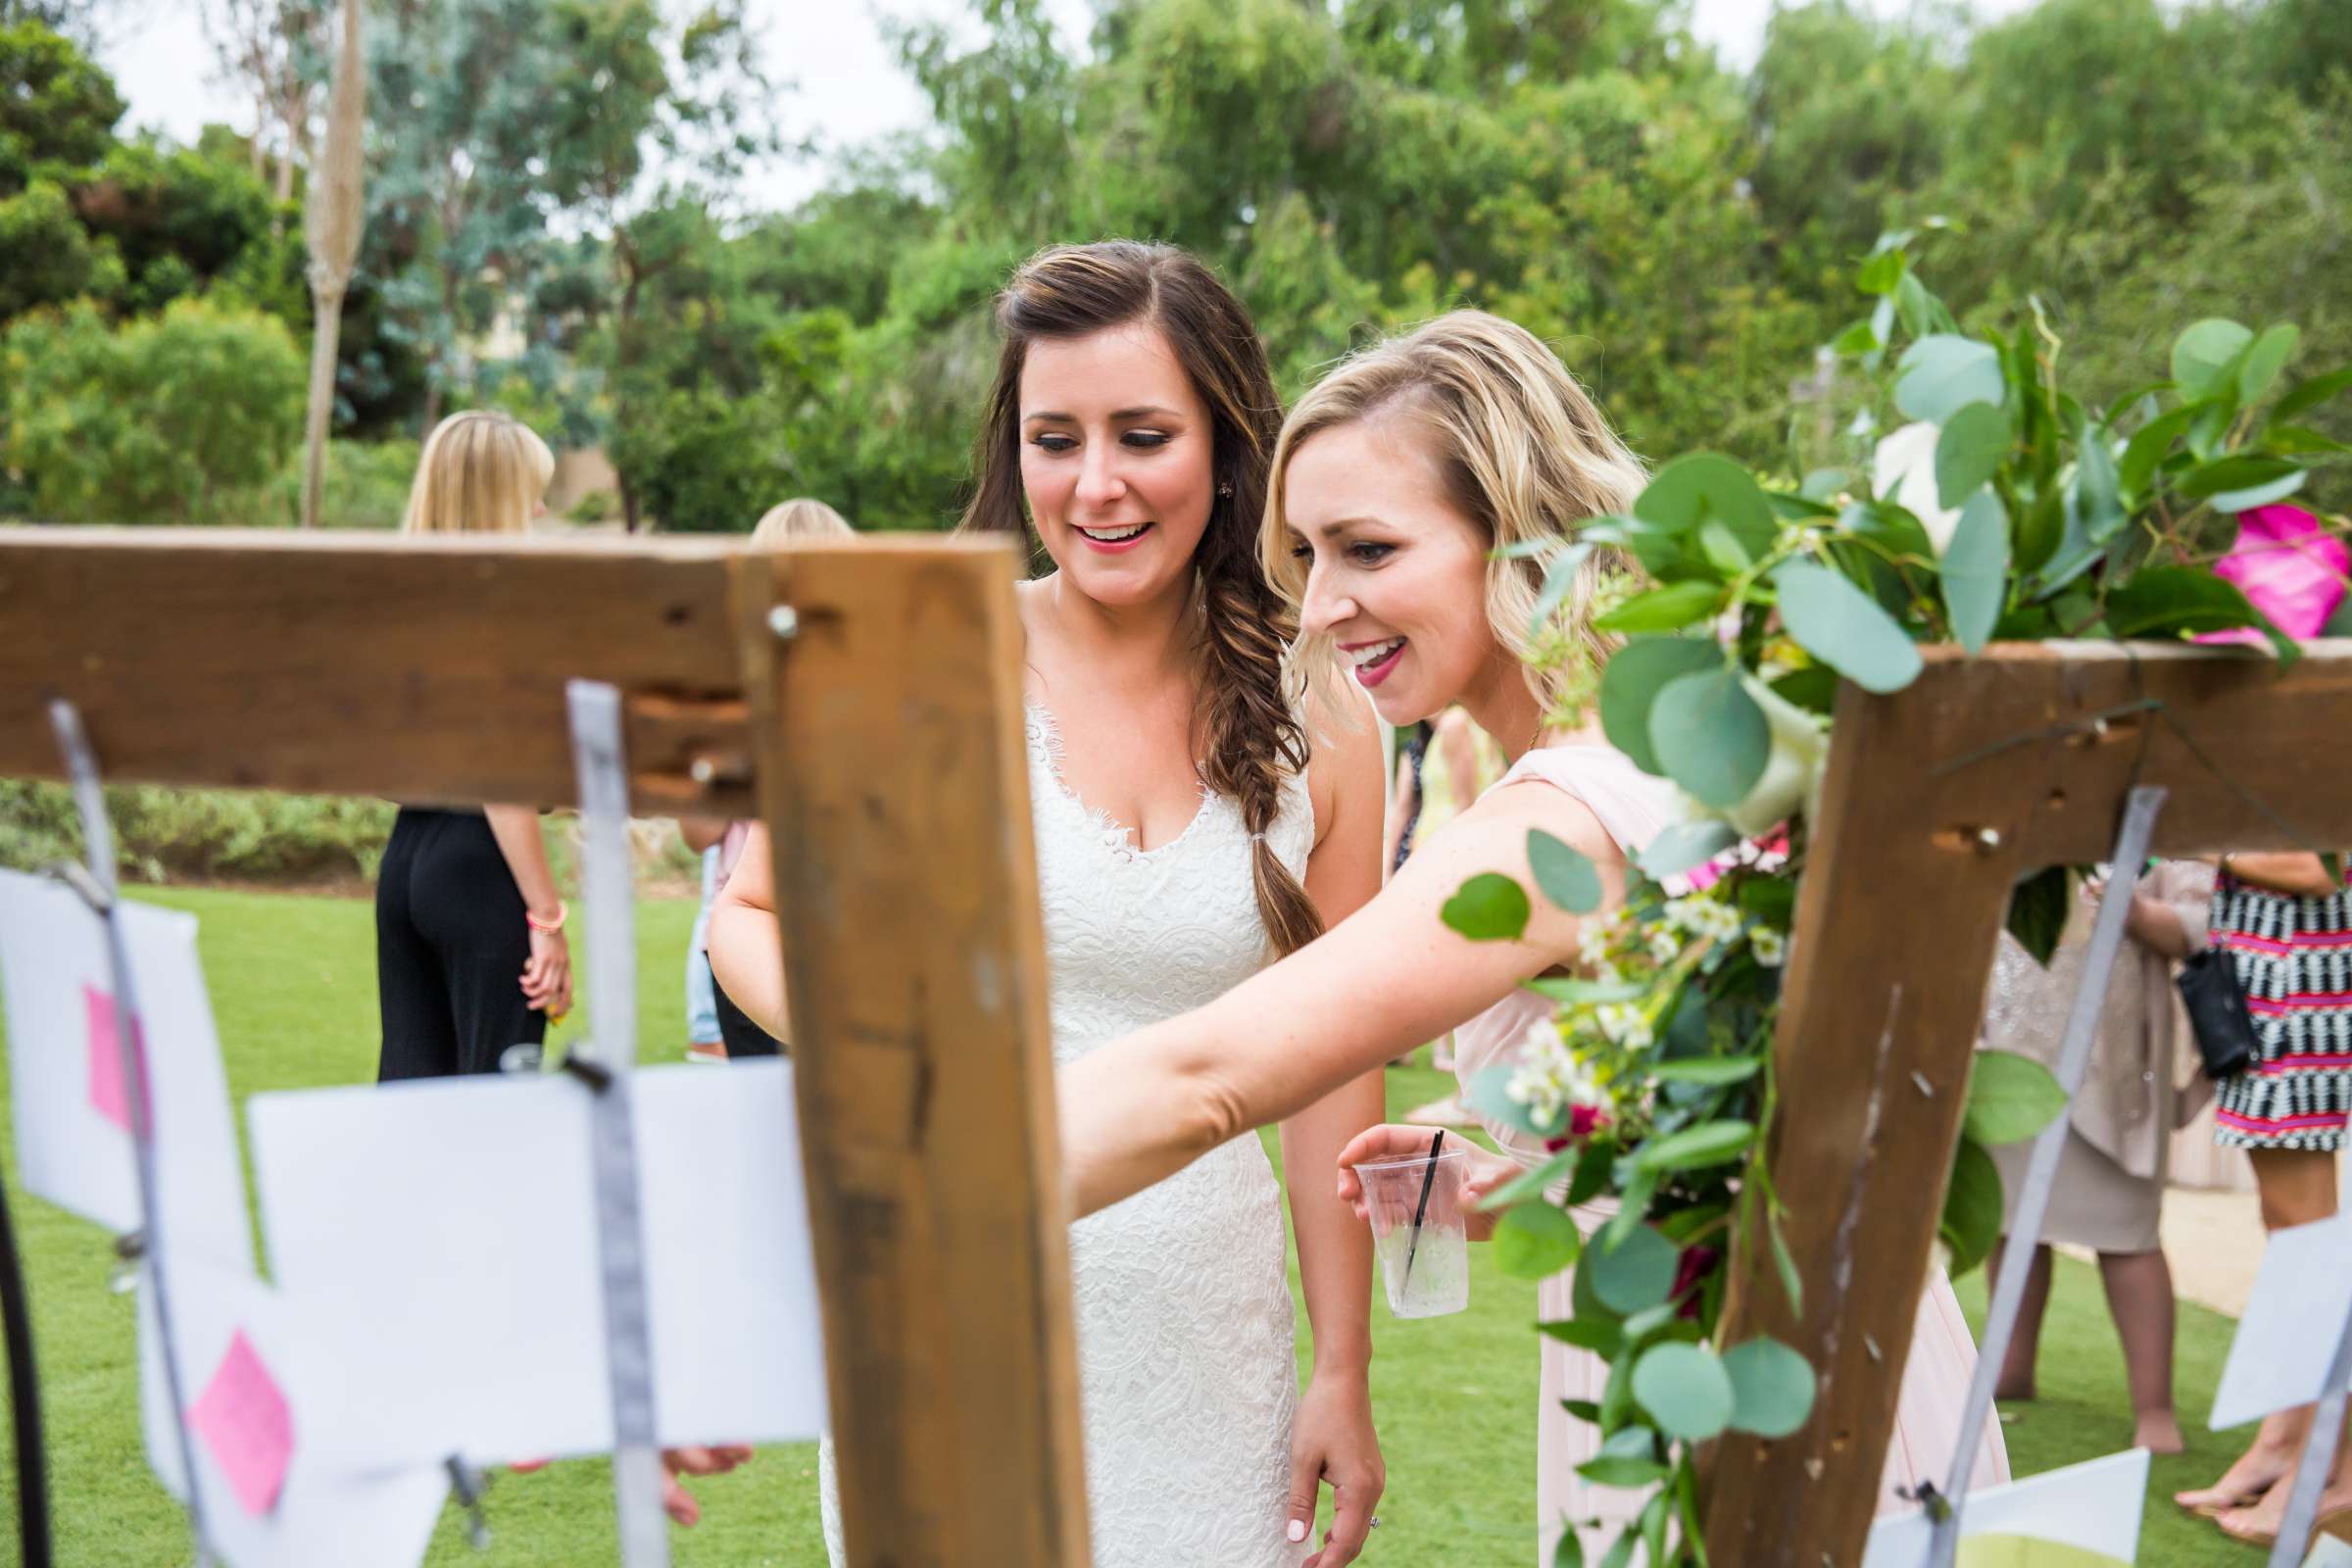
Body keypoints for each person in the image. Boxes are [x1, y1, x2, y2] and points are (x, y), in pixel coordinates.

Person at [1051, 310, 2008, 1564]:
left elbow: (1209, 1074)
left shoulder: (1558, 822)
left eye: (1369, 548)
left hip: (1741, 1408)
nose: (1324, 604)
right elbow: (1752, 1093)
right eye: (1304, 554)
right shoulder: (1672, 742)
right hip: (1789, 1349)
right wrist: (1544, 1165)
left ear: (1520, 539)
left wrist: (890, 1205)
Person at [711, 242, 1389, 1568]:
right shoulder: (917, 658)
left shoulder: (1330, 714)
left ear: (1227, 441)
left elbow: (1335, 1065)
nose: (1097, 486)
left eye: (1144, 434)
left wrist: (1342, 1367)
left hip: (1210, 1334)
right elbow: (751, 914)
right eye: (1053, 439)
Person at [1981, 860, 2214, 1454]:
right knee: (2012, 1223)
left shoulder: (2166, 817)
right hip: (2010, 1038)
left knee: (2126, 1233)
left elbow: (2203, 922)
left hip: (2116, 1066)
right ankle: (2009, 1364)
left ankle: (2154, 1407)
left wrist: (2139, 913)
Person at [375, 411, 573, 1080]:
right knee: (497, 1118)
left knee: (411, 1099)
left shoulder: (402, 606)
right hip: (477, 868)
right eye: (529, 492)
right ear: (495, 499)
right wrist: (547, 917)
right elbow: (501, 777)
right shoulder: (498, 614)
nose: (541, 508)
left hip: (406, 861)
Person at [2175, 850, 2352, 1548]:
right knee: (2289, 1232)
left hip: (2304, 984)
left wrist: (2211, 840)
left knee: (2311, 1245)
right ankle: (2285, 1440)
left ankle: (2329, 1470)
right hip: (2263, 977)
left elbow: (2323, 867)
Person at [676, 499, 853, 1062]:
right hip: (751, 935)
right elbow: (699, 832)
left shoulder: (863, 692)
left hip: (825, 932)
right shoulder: (732, 694)